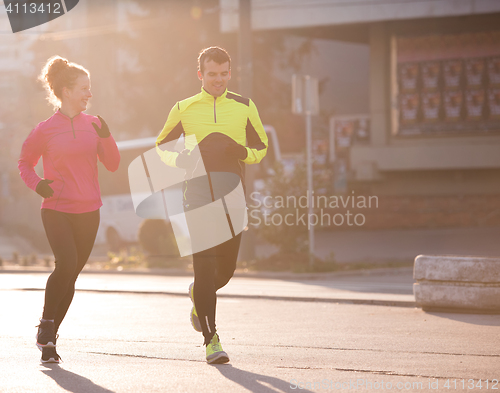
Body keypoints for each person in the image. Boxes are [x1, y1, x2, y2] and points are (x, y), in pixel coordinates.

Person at [156, 47, 268, 364]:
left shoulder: (245, 107)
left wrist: (240, 151)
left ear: (229, 73)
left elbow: (261, 146)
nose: (218, 79)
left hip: (232, 196)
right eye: (211, 74)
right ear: (200, 75)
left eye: (223, 74)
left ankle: (198, 294)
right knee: (205, 268)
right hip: (197, 198)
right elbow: (161, 145)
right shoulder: (184, 108)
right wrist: (180, 158)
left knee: (226, 271)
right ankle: (211, 340)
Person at [18, 56, 120, 364]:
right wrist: (38, 184)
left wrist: (107, 135)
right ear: (66, 91)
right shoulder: (45, 130)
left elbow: (113, 164)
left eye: (90, 88)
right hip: (57, 209)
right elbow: (24, 163)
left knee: (71, 276)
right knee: (66, 264)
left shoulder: (94, 125)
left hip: (89, 210)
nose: (90, 94)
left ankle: (49, 338)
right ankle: (47, 327)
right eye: (84, 88)